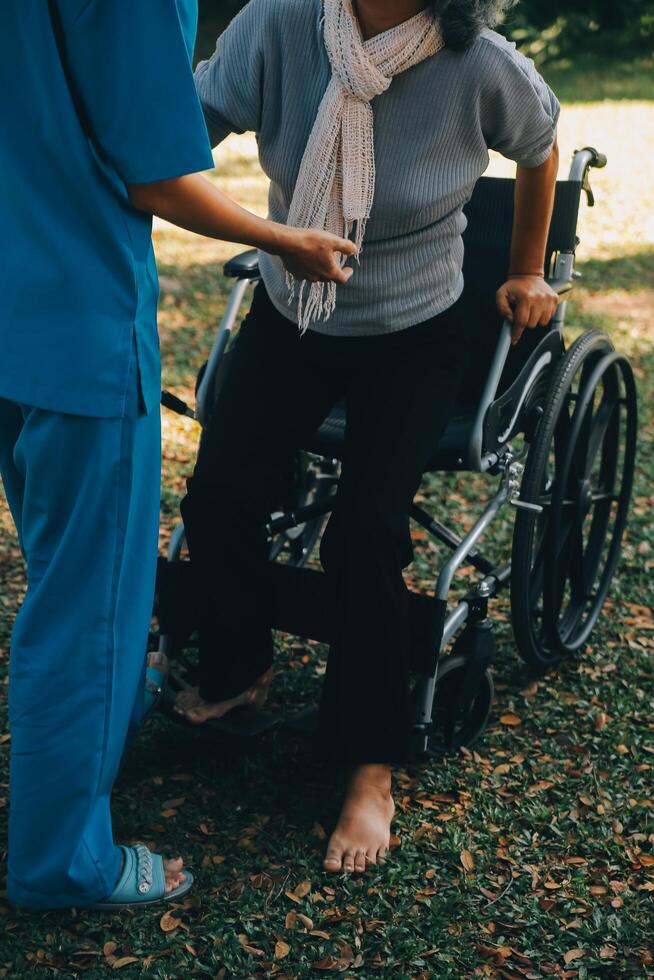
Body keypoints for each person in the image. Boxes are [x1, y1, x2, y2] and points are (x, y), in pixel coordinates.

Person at [171, 0, 561, 874]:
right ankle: (238, 667)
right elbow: (183, 129)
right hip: (291, 308)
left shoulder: (480, 63)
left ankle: (369, 768)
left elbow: (539, 146)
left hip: (417, 327)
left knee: (366, 536)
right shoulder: (278, 24)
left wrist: (528, 268)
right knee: (222, 495)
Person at [0, 0, 354, 910]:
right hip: (74, 322)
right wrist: (286, 240)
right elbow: (156, 178)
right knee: (88, 610)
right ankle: (63, 865)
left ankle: (106, 716)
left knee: (64, 576)